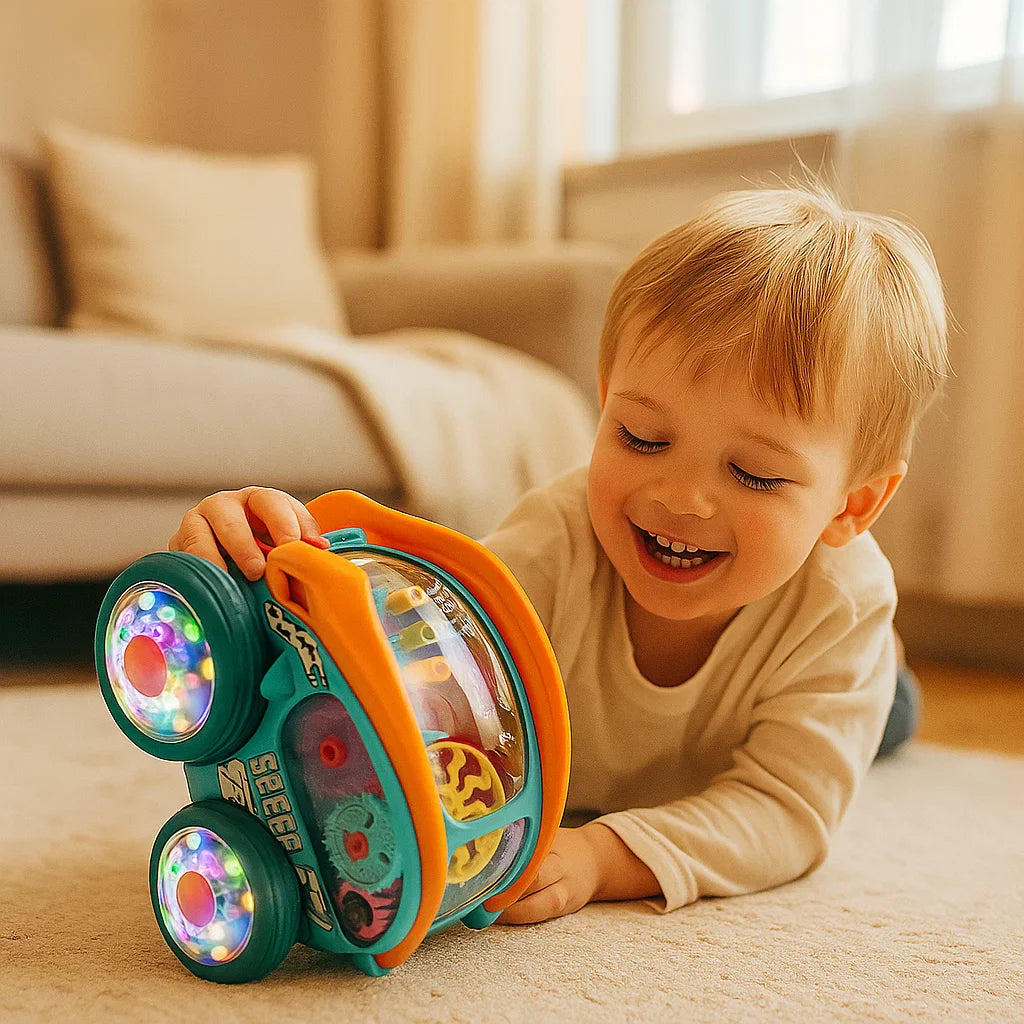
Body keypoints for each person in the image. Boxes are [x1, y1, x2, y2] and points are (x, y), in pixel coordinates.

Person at [168, 184, 948, 929]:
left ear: (851, 506)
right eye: (642, 438)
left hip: (776, 704)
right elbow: (409, 643)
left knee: (882, 713)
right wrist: (255, 565)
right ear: (606, 400)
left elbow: (785, 810)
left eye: (754, 474)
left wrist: (604, 856)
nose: (680, 498)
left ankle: (887, 680)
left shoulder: (841, 604)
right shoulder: (556, 538)